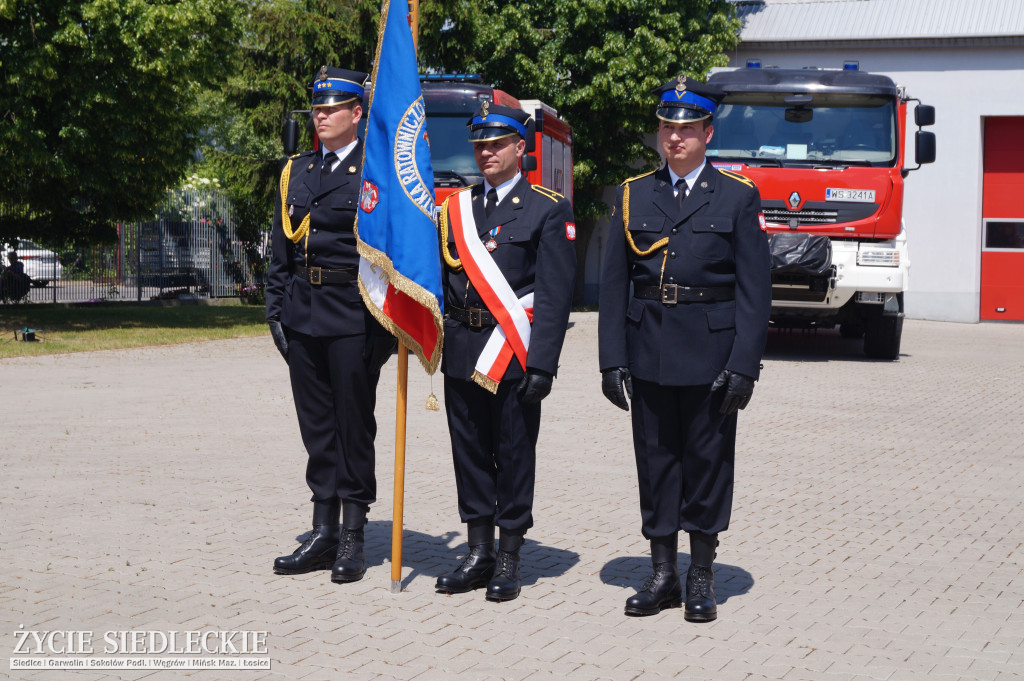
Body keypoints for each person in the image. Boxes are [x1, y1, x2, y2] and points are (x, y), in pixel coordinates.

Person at [598, 75, 771, 621]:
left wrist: (744, 365)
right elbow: (611, 285)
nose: (674, 139)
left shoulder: (738, 196)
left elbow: (754, 290)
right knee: (656, 463)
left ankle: (701, 573)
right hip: (648, 350)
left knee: (707, 463)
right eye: (667, 128)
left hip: (712, 356)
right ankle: (662, 573)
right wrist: (611, 358)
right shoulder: (632, 194)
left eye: (686, 129)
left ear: (707, 133)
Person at [434, 102, 577, 602]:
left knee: (513, 455)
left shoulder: (547, 207)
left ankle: (511, 554)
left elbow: (556, 295)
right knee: (469, 453)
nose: (486, 152)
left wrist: (543, 363)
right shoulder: (455, 208)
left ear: (521, 147)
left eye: (497, 143)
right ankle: (478, 551)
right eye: (480, 143)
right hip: (463, 348)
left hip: (513, 352)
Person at [265, 66, 396, 584]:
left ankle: (353, 535)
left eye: (333, 108)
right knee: (316, 428)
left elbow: (389, 255)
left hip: (353, 315)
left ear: (356, 114)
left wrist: (382, 330)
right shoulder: (296, 170)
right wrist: (275, 311)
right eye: (317, 108)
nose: (321, 116)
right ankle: (321, 531)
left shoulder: (374, 171)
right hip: (303, 314)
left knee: (353, 427)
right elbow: (281, 251)